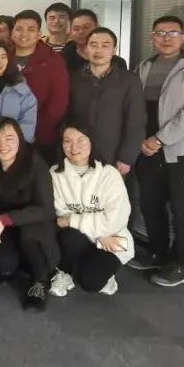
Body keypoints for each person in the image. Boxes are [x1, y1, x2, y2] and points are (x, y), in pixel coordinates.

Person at [132, 16, 184, 288]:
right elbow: (134, 108)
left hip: (180, 152)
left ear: (183, 37)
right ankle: (157, 253)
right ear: (152, 37)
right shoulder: (143, 67)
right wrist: (141, 141)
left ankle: (180, 264)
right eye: (160, 33)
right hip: (146, 150)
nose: (166, 38)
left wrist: (159, 139)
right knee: (150, 206)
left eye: (173, 33)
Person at [0, 117, 58, 311]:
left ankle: (40, 281)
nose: (2, 145)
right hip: (2, 226)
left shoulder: (36, 164)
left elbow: (46, 209)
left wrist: (7, 219)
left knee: (28, 235)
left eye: (9, 138)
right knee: (2, 266)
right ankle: (19, 262)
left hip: (33, 224)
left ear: (20, 139)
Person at [68, 27, 145, 223]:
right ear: (86, 49)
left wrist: (126, 158)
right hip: (81, 155)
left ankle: (117, 241)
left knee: (115, 208)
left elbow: (136, 122)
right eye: (93, 45)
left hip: (114, 155)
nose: (99, 50)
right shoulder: (74, 78)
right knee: (82, 204)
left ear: (114, 50)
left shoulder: (128, 81)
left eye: (105, 45)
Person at [49, 123, 133, 297]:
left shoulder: (109, 174)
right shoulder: (55, 173)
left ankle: (104, 275)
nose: (74, 147)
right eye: (68, 141)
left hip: (111, 238)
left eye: (81, 140)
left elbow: (115, 219)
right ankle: (66, 272)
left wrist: (76, 221)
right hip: (80, 237)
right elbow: (60, 215)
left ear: (91, 142)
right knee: (67, 236)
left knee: (91, 283)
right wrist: (96, 230)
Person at [11, 10, 69, 163]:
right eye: (19, 29)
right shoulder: (2, 57)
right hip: (4, 136)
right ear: (12, 32)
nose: (24, 34)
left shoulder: (53, 60)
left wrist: (34, 131)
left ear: (39, 34)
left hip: (40, 137)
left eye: (30, 29)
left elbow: (58, 104)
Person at [61, 8, 131, 72]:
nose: (81, 32)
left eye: (86, 27)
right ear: (70, 31)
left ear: (97, 27)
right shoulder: (63, 59)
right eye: (76, 29)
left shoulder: (116, 63)